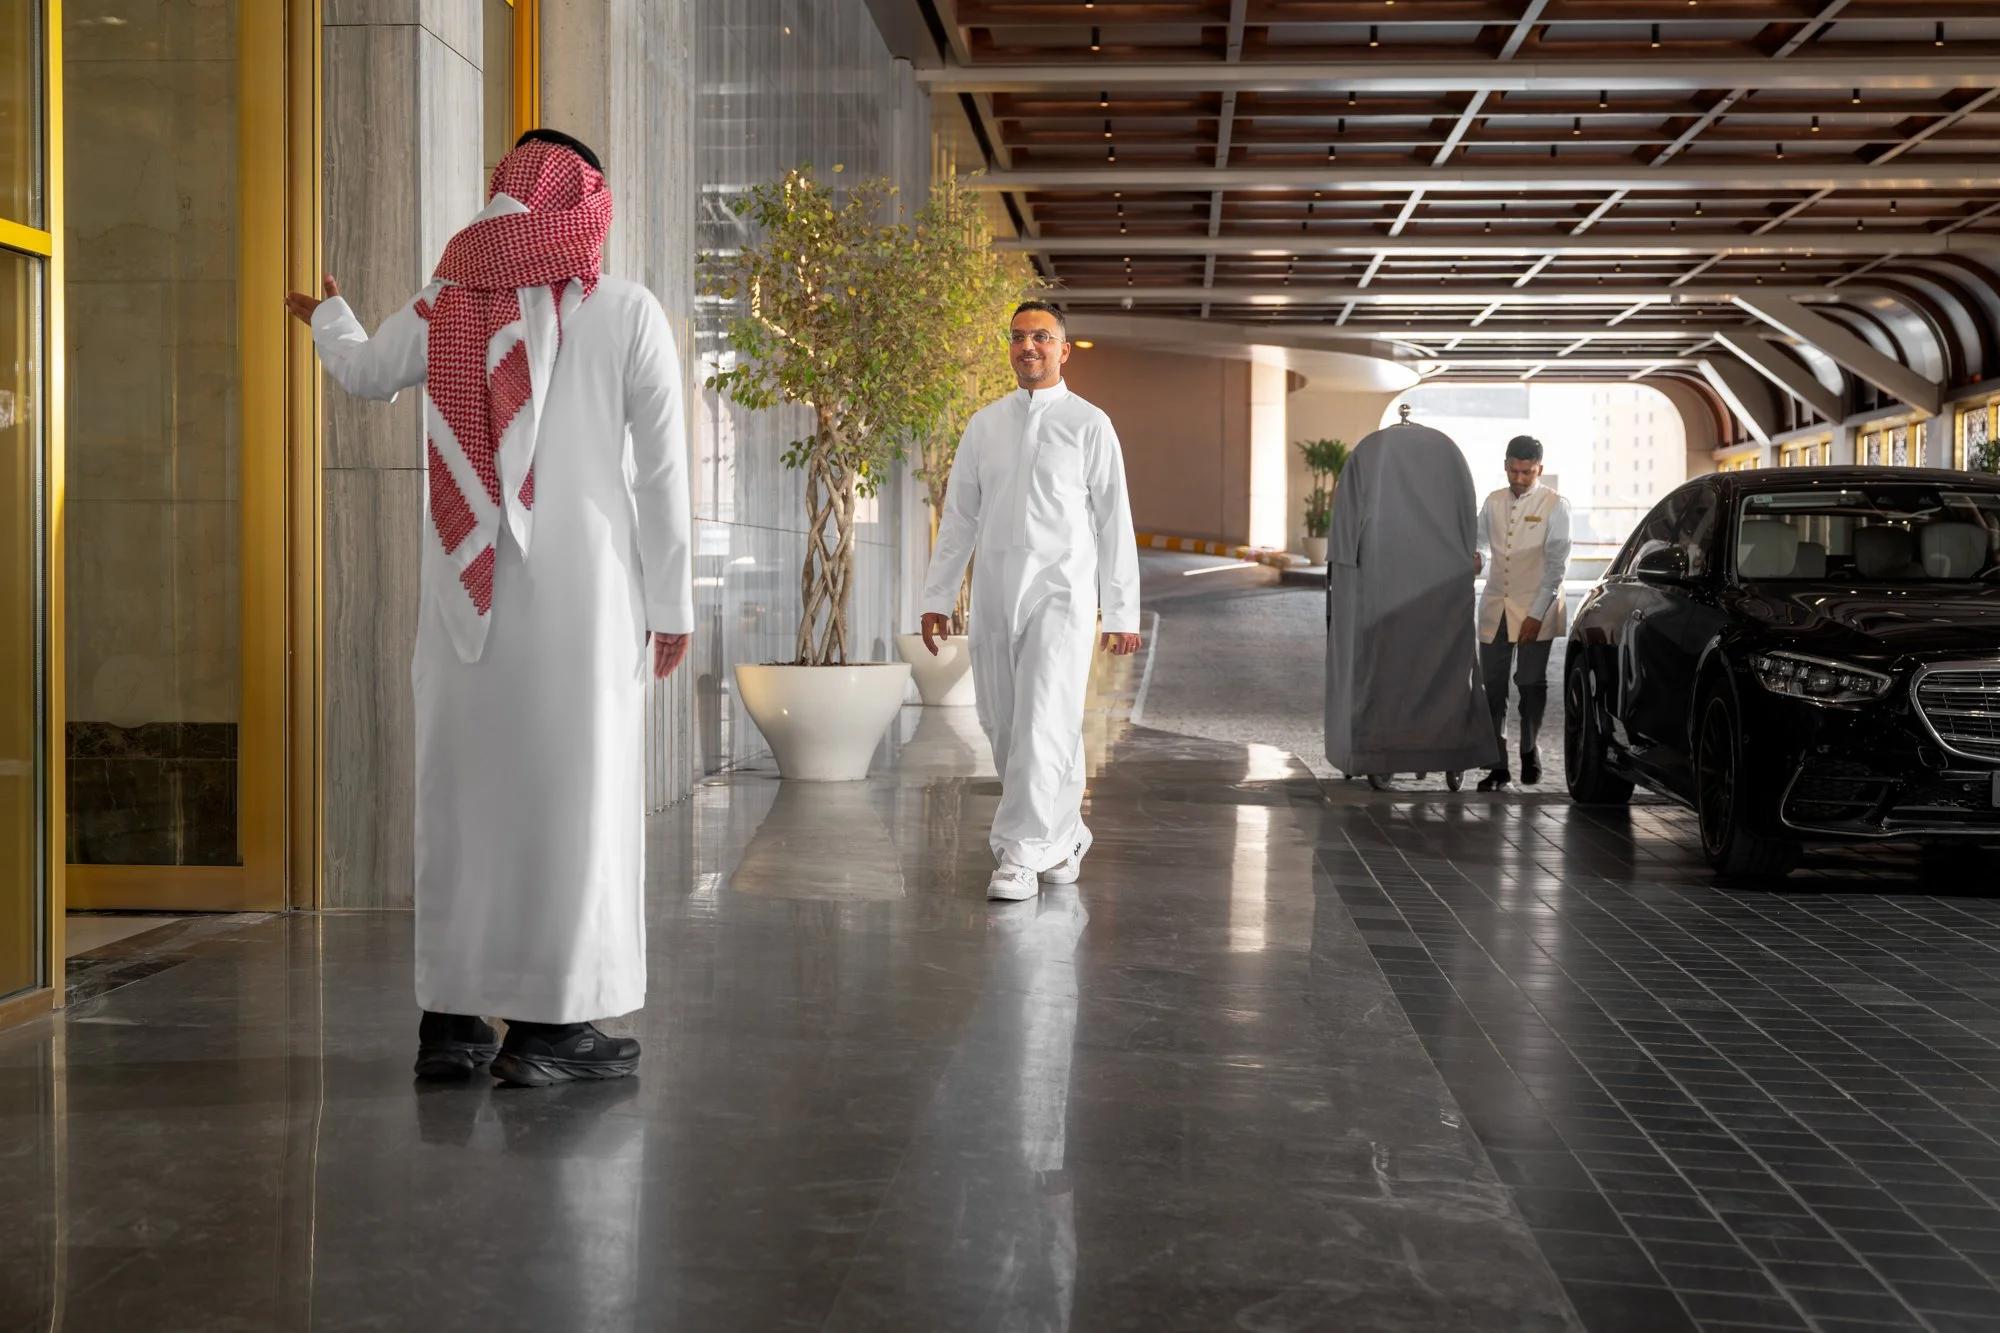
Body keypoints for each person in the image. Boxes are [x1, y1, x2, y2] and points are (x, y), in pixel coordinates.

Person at [284, 130, 694, 1087]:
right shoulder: (626, 310)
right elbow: (664, 475)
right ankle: (552, 1031)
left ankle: (452, 1021)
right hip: (584, 604)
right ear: (586, 202)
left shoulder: (448, 300)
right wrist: (672, 602)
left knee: (464, 795)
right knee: (573, 797)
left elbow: (366, 373)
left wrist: (329, 317)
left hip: (464, 596)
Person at [920, 301, 1142, 902]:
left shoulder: (1090, 424)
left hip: (1062, 594)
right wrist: (938, 595)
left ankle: (1018, 854)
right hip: (994, 593)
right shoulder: (984, 425)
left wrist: (1122, 611)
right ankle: (1065, 836)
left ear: (1063, 350)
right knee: (1004, 723)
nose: (1028, 347)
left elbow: (1114, 522)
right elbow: (959, 518)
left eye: (1042, 337)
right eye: (1019, 337)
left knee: (1044, 719)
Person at [1324, 417, 1500, 783]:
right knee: (1442, 668)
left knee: (1379, 672)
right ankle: (1445, 747)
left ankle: (1376, 749)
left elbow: (1346, 541)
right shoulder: (1446, 458)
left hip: (1379, 586)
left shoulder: (1371, 459)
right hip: (1438, 593)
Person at [1474, 435, 1572, 791]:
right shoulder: (1493, 501)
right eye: (1513, 471)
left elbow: (1557, 566)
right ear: (1505, 465)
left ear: (1539, 469)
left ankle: (1529, 747)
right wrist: (1478, 556)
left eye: (1526, 472)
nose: (1519, 478)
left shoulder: (1556, 505)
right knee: (1492, 688)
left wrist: (1537, 613)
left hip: (1537, 605)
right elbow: (1480, 541)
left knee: (1530, 683)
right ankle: (1497, 765)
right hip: (1496, 606)